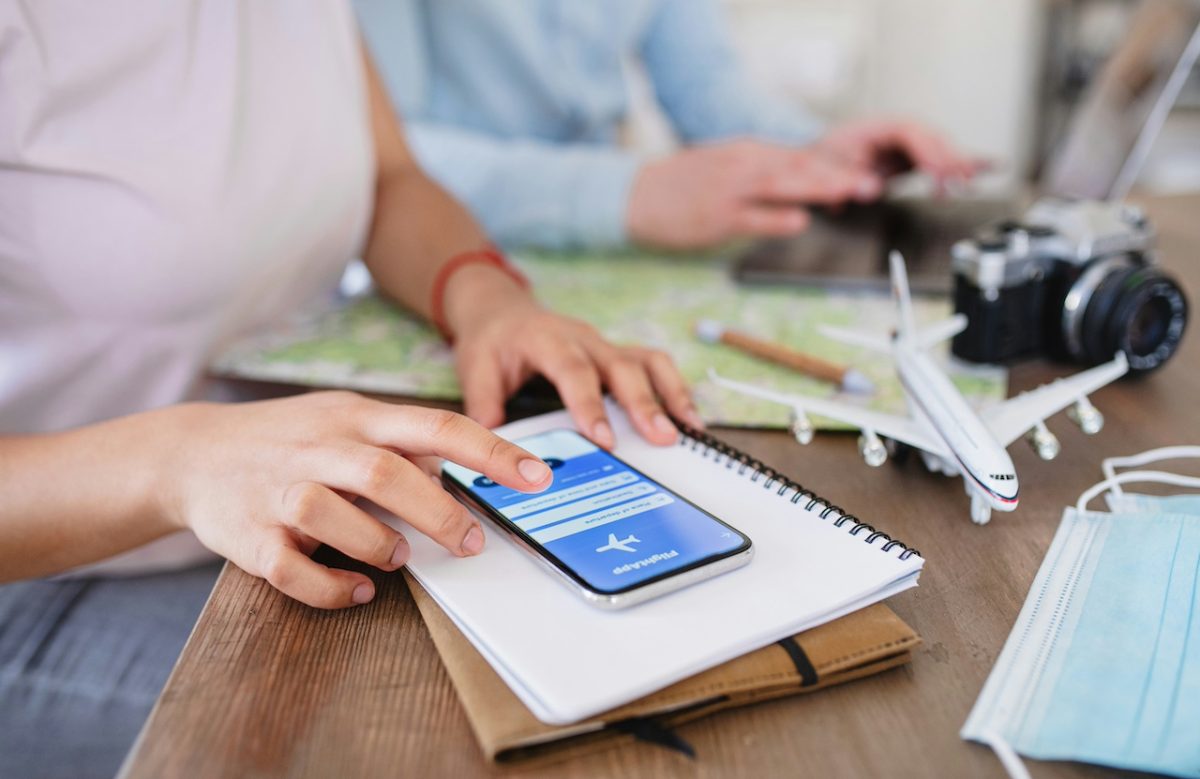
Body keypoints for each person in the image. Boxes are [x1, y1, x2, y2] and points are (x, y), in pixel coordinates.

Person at [0, 3, 698, 776]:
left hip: (293, 516)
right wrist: (180, 459)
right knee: (459, 727)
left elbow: (388, 178)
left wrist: (482, 297)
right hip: (54, 580)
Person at [356, 0, 983, 251]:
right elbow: (377, 158)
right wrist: (625, 193)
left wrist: (817, 152)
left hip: (604, 254)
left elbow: (705, 90)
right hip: (428, 254)